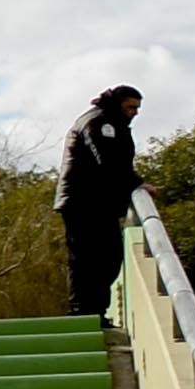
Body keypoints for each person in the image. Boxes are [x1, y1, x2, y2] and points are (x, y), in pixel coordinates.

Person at [58, 85, 145, 317]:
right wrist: (136, 183)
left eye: (137, 108)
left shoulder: (113, 123)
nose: (135, 112)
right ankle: (82, 311)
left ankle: (95, 311)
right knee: (87, 259)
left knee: (108, 259)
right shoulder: (98, 122)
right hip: (82, 202)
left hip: (99, 203)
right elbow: (107, 160)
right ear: (118, 103)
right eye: (131, 107)